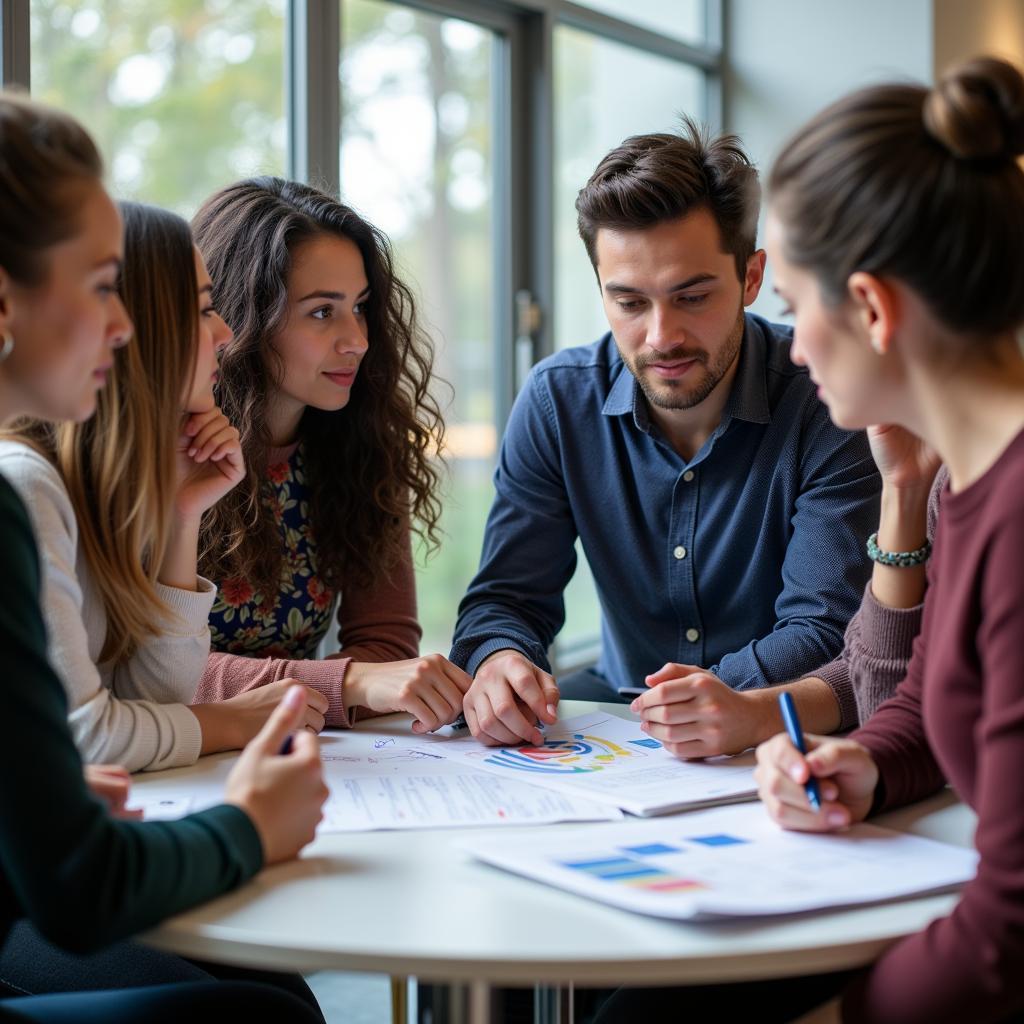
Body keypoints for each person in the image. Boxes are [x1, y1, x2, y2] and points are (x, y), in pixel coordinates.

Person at [604, 54, 1024, 1024]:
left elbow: (1010, 925)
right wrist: (867, 762)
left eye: (792, 308)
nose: (786, 346)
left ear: (872, 309)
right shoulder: (965, 480)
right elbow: (931, 695)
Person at [0, 92, 326, 1023]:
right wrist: (251, 823)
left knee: (272, 992)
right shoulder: (16, 488)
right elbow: (82, 825)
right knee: (261, 1015)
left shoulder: (68, 491)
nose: (121, 327)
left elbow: (136, 710)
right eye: (101, 288)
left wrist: (182, 522)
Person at [451, 117, 881, 751]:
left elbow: (826, 631)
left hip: (787, 733)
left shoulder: (826, 399)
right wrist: (497, 661)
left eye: (692, 296)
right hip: (622, 727)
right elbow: (506, 599)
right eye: (629, 302)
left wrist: (709, 697)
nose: (661, 337)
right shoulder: (557, 400)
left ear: (752, 279)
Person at [0, 201, 328, 774]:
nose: (225, 334)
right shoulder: (26, 486)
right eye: (202, 310)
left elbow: (154, 704)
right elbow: (80, 734)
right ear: (139, 329)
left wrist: (182, 518)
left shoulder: (103, 489)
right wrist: (236, 719)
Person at [190, 178, 472, 735]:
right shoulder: (168, 452)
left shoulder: (362, 444)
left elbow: (386, 645)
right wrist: (342, 684)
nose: (358, 340)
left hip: (291, 746)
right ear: (241, 317)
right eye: (322, 312)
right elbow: (142, 671)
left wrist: (347, 683)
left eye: (360, 307)